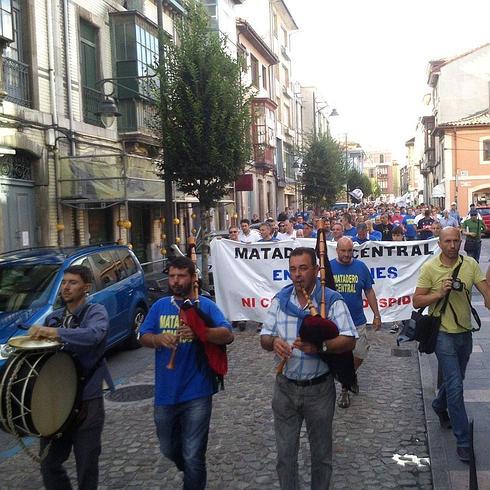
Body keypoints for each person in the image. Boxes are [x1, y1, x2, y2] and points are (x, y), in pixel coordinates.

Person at [260, 247, 357, 489]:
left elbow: (349, 339)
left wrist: (321, 347)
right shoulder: (281, 301)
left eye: (303, 268)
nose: (297, 274)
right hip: (285, 388)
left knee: (321, 455)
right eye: (293, 269)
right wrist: (274, 342)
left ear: (315, 270)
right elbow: (264, 338)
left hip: (319, 390)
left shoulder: (331, 300)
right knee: (285, 456)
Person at [139, 257, 233, 489]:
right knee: (168, 448)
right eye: (172, 276)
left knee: (193, 454)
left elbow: (227, 334)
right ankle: (189, 469)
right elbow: (143, 336)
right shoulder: (160, 306)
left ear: (193, 278)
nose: (176, 281)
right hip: (165, 392)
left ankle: (192, 475)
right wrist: (158, 339)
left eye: (181, 276)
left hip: (197, 391)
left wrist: (202, 333)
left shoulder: (205, 305)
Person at [29, 265, 111, 490]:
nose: (66, 287)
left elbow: (94, 335)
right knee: (49, 464)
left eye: (72, 282)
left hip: (88, 400)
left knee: (86, 465)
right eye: (64, 282)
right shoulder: (54, 318)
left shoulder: (95, 312)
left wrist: (55, 333)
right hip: (57, 402)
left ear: (85, 287)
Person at [413, 227, 490, 462]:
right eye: (448, 241)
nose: (453, 245)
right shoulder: (430, 268)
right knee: (456, 386)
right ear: (439, 243)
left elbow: (487, 295)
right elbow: (416, 301)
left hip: (464, 333)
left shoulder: (470, 265)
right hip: (443, 334)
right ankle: (463, 441)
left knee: (455, 380)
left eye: (456, 240)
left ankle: (439, 403)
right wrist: (438, 293)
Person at [330, 237, 382, 408]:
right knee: (340, 356)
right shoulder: (329, 267)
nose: (346, 254)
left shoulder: (360, 267)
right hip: (336, 323)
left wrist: (376, 314)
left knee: (360, 353)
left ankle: (350, 374)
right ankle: (345, 388)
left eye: (349, 251)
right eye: (343, 251)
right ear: (337, 250)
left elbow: (369, 290)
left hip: (357, 320)